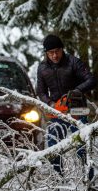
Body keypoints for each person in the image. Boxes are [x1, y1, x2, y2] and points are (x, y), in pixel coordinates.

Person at [37, 34, 96, 179]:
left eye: (57, 51)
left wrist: (76, 91)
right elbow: (41, 91)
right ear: (46, 53)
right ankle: (58, 180)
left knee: (81, 146)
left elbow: (91, 80)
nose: (54, 55)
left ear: (62, 49)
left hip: (78, 108)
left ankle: (88, 178)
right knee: (53, 147)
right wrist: (51, 104)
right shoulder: (42, 67)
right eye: (51, 52)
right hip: (57, 110)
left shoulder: (73, 62)